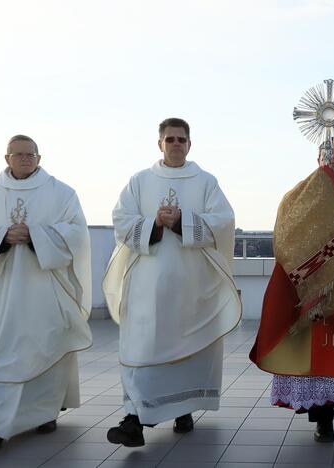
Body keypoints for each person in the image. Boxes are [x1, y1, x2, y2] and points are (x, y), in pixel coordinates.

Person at [103, 117, 241, 447]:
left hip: (191, 284)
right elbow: (121, 221)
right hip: (147, 285)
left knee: (188, 351)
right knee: (143, 347)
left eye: (181, 139)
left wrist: (182, 221)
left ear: (190, 144)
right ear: (160, 144)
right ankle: (134, 419)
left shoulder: (206, 181)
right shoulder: (139, 181)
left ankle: (183, 409)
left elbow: (224, 222)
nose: (176, 144)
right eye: (170, 139)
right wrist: (153, 223)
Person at [0, 135, 92, 450]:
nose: (25, 159)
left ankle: (43, 413)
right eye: (18, 154)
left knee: (42, 348)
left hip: (43, 287)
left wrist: (36, 236)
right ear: (7, 158)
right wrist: (2, 236)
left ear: (39, 158)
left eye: (30, 154)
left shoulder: (61, 193)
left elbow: (76, 233)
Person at [250, 137, 334, 442]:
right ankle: (322, 420)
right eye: (327, 152)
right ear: (317, 159)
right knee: (316, 360)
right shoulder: (300, 194)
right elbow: (288, 234)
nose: (333, 156)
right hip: (312, 285)